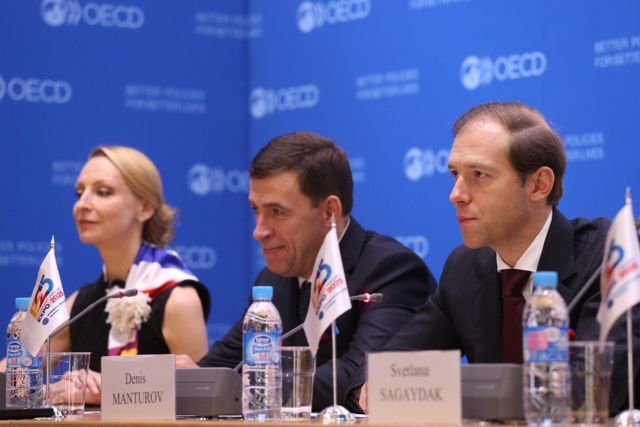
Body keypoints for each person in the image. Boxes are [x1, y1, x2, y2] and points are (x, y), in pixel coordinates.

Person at [349, 101, 639, 415]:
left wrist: (448, 391)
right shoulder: (465, 267)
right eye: (455, 174)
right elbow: (387, 366)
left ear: (539, 185)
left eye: (479, 174)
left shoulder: (610, 258)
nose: (456, 194)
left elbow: (593, 391)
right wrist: (375, 385)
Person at [176, 131, 437, 411]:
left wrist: (247, 390)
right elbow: (224, 365)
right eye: (255, 210)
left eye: (277, 212)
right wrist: (191, 379)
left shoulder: (391, 270)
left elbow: (357, 377)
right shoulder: (272, 280)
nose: (259, 231)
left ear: (329, 212)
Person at [53, 146, 211, 404]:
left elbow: (200, 400)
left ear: (145, 208)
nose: (82, 204)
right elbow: (16, 372)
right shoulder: (81, 304)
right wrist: (54, 391)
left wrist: (108, 391)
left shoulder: (179, 299)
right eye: (79, 193)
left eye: (103, 192)